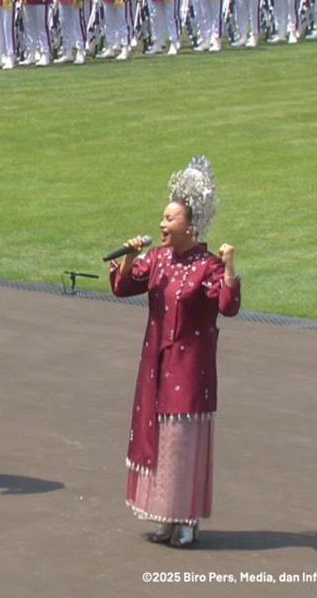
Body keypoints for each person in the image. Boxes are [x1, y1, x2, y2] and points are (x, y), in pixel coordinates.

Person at [109, 155, 240, 547]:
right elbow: (122, 287)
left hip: (189, 368)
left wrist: (230, 266)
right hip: (155, 363)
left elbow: (228, 306)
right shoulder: (159, 259)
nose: (162, 225)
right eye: (163, 218)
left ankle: (186, 520)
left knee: (181, 440)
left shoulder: (208, 266)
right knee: (158, 437)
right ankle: (164, 517)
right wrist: (130, 254)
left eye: (170, 219)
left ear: (191, 224)